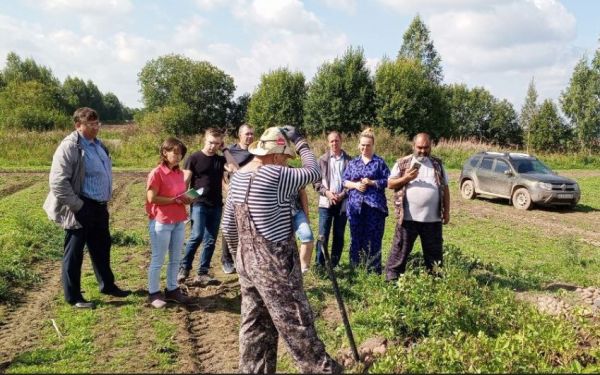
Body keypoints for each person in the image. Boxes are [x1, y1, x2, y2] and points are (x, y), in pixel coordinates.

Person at [222, 126, 342, 373]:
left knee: (254, 325)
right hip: (274, 264)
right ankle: (322, 370)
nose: (287, 163)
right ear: (276, 156)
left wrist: (240, 259)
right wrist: (300, 142)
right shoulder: (275, 175)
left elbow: (227, 226)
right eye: (286, 158)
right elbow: (313, 171)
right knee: (296, 321)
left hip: (247, 262)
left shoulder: (239, 177)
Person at [43, 107, 130, 309]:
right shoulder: (69, 147)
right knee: (74, 253)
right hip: (80, 206)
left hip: (99, 206)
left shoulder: (98, 145)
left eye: (97, 123)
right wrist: (79, 207)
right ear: (78, 125)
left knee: (102, 248)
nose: (95, 127)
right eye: (90, 124)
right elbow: (58, 183)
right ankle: (73, 297)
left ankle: (107, 285)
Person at [385, 133, 450, 280]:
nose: (423, 151)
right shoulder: (403, 163)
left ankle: (436, 281)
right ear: (413, 146)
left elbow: (445, 189)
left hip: (432, 220)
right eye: (420, 147)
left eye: (426, 147)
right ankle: (391, 279)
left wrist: (447, 212)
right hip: (408, 218)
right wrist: (406, 178)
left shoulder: (437, 164)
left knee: (434, 254)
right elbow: (390, 184)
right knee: (400, 251)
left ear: (430, 147)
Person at [177, 128, 233, 284]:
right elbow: (186, 180)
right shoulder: (193, 158)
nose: (213, 146)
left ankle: (202, 272)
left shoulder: (220, 160)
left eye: (217, 143)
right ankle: (184, 268)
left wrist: (225, 150)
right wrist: (181, 200)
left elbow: (234, 168)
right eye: (210, 142)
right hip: (199, 203)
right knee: (197, 236)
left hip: (216, 204)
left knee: (210, 241)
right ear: (204, 139)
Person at [145, 137, 194, 308]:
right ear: (165, 153)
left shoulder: (179, 174)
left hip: (178, 220)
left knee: (175, 258)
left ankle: (172, 289)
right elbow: (152, 198)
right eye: (175, 152)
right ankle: (153, 293)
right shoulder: (157, 173)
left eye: (181, 153)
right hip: (162, 221)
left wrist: (187, 199)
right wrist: (175, 200)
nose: (178, 156)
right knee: (158, 258)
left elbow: (179, 196)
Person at [343, 128, 390, 274]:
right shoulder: (353, 163)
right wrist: (355, 185)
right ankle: (355, 268)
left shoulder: (379, 162)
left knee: (374, 237)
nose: (365, 148)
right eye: (362, 145)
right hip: (355, 206)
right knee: (356, 237)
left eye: (368, 145)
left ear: (373, 145)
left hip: (374, 207)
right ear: (359, 145)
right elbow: (344, 181)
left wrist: (372, 182)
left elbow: (389, 180)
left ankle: (374, 270)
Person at [314, 131, 352, 269]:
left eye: (336, 140)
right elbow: (316, 183)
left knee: (339, 234)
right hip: (325, 203)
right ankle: (319, 264)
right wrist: (328, 193)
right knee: (323, 234)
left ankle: (334, 264)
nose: (334, 143)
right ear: (328, 143)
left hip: (343, 203)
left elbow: (353, 182)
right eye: (331, 141)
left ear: (341, 141)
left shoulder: (350, 160)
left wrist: (342, 194)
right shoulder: (322, 160)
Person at [220, 124, 254, 274]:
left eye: (252, 134)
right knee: (228, 225)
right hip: (233, 193)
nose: (250, 137)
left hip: (250, 194)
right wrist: (225, 187)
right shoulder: (231, 150)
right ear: (239, 135)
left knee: (244, 226)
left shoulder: (255, 151)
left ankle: (244, 257)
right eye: (247, 134)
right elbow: (221, 171)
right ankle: (226, 259)